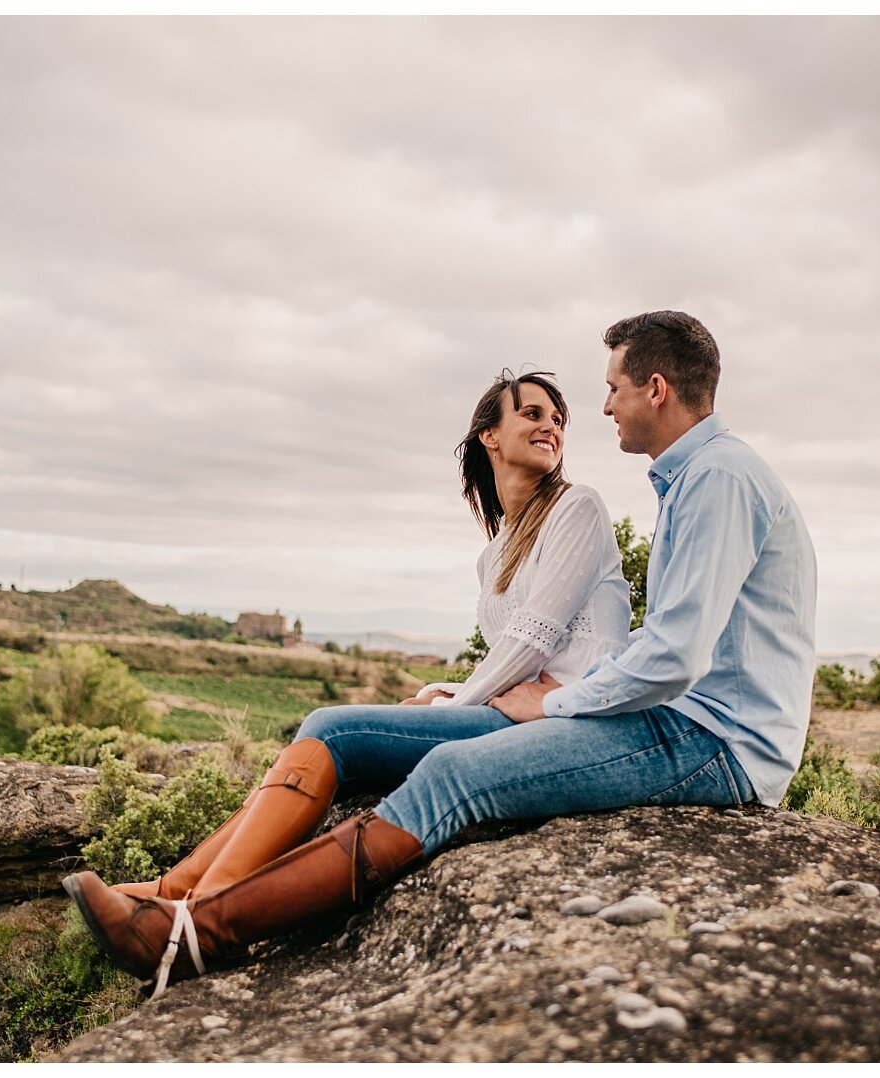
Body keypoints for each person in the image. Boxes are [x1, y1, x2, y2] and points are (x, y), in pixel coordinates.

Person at [68, 311, 817, 997]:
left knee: (452, 773)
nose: (603, 407)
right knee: (379, 743)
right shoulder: (695, 479)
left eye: (613, 387)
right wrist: (473, 691)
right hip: (689, 725)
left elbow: (674, 655)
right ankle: (178, 909)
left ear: (656, 388)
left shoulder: (716, 479)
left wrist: (548, 702)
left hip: (717, 741)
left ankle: (196, 935)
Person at [64, 369, 632, 997]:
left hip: (555, 716)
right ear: (489, 436)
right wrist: (445, 694)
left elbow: (535, 639)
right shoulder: (495, 550)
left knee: (334, 727)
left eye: (557, 418)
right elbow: (512, 651)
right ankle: (175, 894)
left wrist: (459, 702)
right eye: (531, 413)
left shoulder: (577, 508)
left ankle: (190, 916)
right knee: (334, 734)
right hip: (511, 706)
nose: (550, 425)